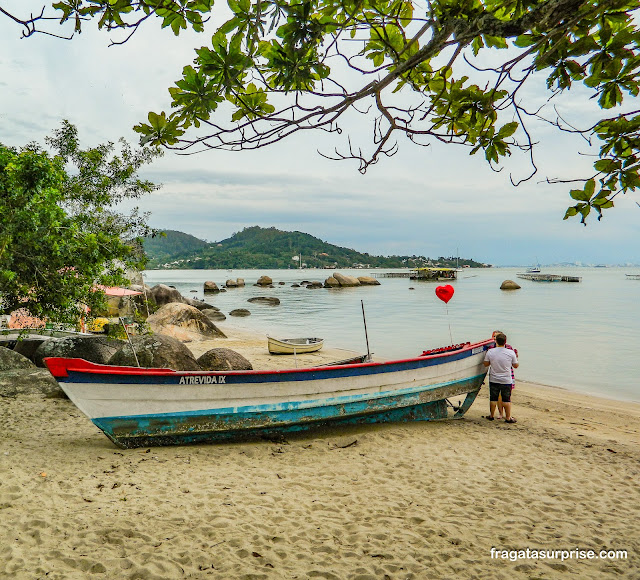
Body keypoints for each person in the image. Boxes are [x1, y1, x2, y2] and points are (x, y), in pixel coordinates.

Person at [484, 332, 519, 423]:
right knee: (506, 399)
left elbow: (486, 364)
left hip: (494, 378)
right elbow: (515, 365)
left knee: (493, 398)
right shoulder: (510, 352)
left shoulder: (490, 351)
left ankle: (491, 415)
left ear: (495, 341)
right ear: (505, 342)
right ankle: (508, 417)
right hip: (506, 379)